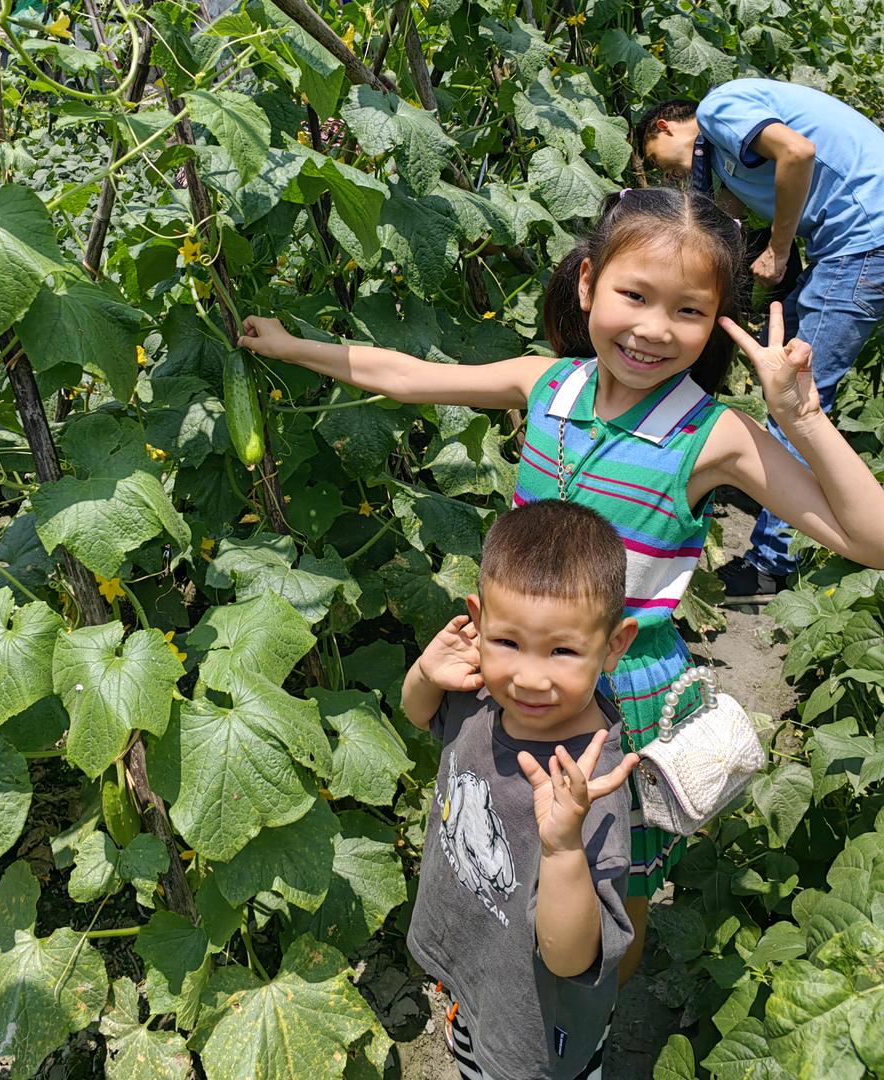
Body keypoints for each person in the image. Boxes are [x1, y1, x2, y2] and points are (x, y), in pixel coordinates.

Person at [238, 187, 884, 983]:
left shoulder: (713, 434)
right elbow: (407, 375)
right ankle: (502, 994)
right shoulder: (549, 386)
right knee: (494, 832)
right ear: (587, 286)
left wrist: (805, 417)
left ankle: (587, 1022)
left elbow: (871, 539)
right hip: (511, 667)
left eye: (687, 311)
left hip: (621, 697)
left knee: (617, 880)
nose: (652, 328)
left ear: (718, 322)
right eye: (633, 294)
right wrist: (295, 346)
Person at [401, 500, 639, 1079]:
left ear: (614, 644)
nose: (530, 677)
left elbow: (569, 956)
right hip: (478, 972)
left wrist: (561, 847)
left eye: (562, 651)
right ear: (478, 622)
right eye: (507, 642)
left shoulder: (590, 788)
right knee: (469, 1054)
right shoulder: (483, 695)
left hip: (533, 1028)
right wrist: (426, 674)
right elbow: (420, 715)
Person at [637, 82, 884, 601]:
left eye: (657, 162)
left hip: (863, 240)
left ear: (662, 127)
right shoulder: (726, 155)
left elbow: (798, 152)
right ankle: (768, 482)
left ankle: (770, 566)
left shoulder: (718, 108)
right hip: (851, 242)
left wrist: (777, 247)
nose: (668, 176)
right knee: (784, 348)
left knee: (796, 394)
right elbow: (730, 206)